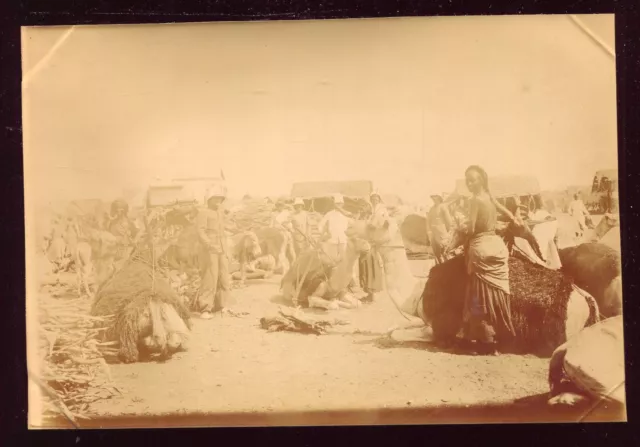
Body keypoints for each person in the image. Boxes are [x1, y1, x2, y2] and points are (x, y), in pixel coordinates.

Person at [461, 165, 522, 355]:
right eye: (467, 180)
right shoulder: (489, 196)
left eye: (472, 180)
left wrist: (460, 227)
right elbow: (507, 212)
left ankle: (483, 340)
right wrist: (514, 217)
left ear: (481, 180)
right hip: (497, 247)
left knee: (478, 295)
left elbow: (471, 229)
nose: (469, 184)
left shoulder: (474, 201)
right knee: (498, 294)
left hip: (480, 248)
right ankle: (499, 337)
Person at [196, 185, 235, 320]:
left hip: (222, 249)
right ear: (210, 199)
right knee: (210, 278)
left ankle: (224, 305)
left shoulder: (220, 213)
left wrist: (227, 251)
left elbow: (223, 233)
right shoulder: (203, 213)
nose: (219, 201)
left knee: (224, 277)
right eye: (216, 198)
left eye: (220, 199)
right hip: (210, 250)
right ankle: (205, 308)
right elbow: (200, 231)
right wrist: (210, 244)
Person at [359, 191, 387, 302]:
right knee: (366, 265)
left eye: (376, 198)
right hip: (368, 239)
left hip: (374, 241)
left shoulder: (381, 210)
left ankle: (372, 294)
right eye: (372, 198)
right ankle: (369, 293)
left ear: (379, 199)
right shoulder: (372, 211)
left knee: (371, 266)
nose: (374, 199)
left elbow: (382, 225)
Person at [317, 194, 351, 263]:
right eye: (337, 204)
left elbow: (352, 225)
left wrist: (349, 235)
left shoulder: (347, 214)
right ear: (334, 205)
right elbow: (320, 225)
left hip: (343, 240)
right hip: (332, 241)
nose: (339, 205)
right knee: (332, 261)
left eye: (340, 204)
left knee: (343, 260)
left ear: (343, 204)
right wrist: (325, 234)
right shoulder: (329, 214)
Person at [427, 194, 454, 264]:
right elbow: (428, 221)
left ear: (439, 198)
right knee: (436, 253)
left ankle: (446, 270)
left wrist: (446, 232)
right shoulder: (432, 208)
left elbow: (449, 222)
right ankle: (438, 270)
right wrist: (429, 231)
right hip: (433, 233)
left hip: (442, 233)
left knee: (444, 252)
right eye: (432, 197)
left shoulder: (443, 207)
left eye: (435, 196)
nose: (433, 198)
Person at [270, 199, 297, 266]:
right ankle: (280, 264)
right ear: (276, 206)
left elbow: (289, 223)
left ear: (283, 206)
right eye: (278, 206)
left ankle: (294, 262)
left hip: (286, 231)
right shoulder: (274, 214)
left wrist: (287, 227)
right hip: (277, 232)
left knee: (291, 248)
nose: (280, 207)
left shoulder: (286, 213)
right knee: (280, 249)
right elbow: (271, 224)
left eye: (281, 206)